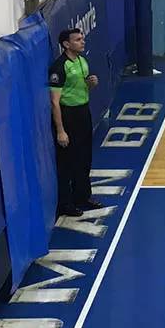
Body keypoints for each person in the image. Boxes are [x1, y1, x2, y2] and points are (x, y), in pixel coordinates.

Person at [49, 28, 101, 218]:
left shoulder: (82, 61)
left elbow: (82, 86)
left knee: (84, 157)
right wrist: (61, 130)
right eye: (78, 40)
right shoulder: (58, 67)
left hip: (83, 112)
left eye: (82, 39)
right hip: (67, 115)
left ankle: (83, 197)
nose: (82, 42)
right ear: (66, 44)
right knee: (67, 162)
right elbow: (55, 101)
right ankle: (66, 203)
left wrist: (91, 84)